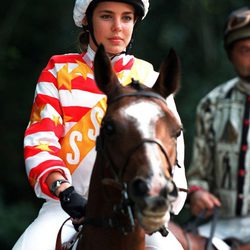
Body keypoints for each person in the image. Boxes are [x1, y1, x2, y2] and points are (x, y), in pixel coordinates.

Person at [12, 0, 187, 249]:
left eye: (126, 18)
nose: (117, 27)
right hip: (65, 206)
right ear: (87, 19)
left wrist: (162, 199)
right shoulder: (57, 72)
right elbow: (41, 142)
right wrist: (65, 191)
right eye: (107, 16)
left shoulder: (151, 79)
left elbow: (173, 148)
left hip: (137, 206)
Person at [187, 6, 250, 246]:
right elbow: (199, 173)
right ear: (231, 54)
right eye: (244, 50)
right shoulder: (211, 104)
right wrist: (198, 193)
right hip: (222, 223)